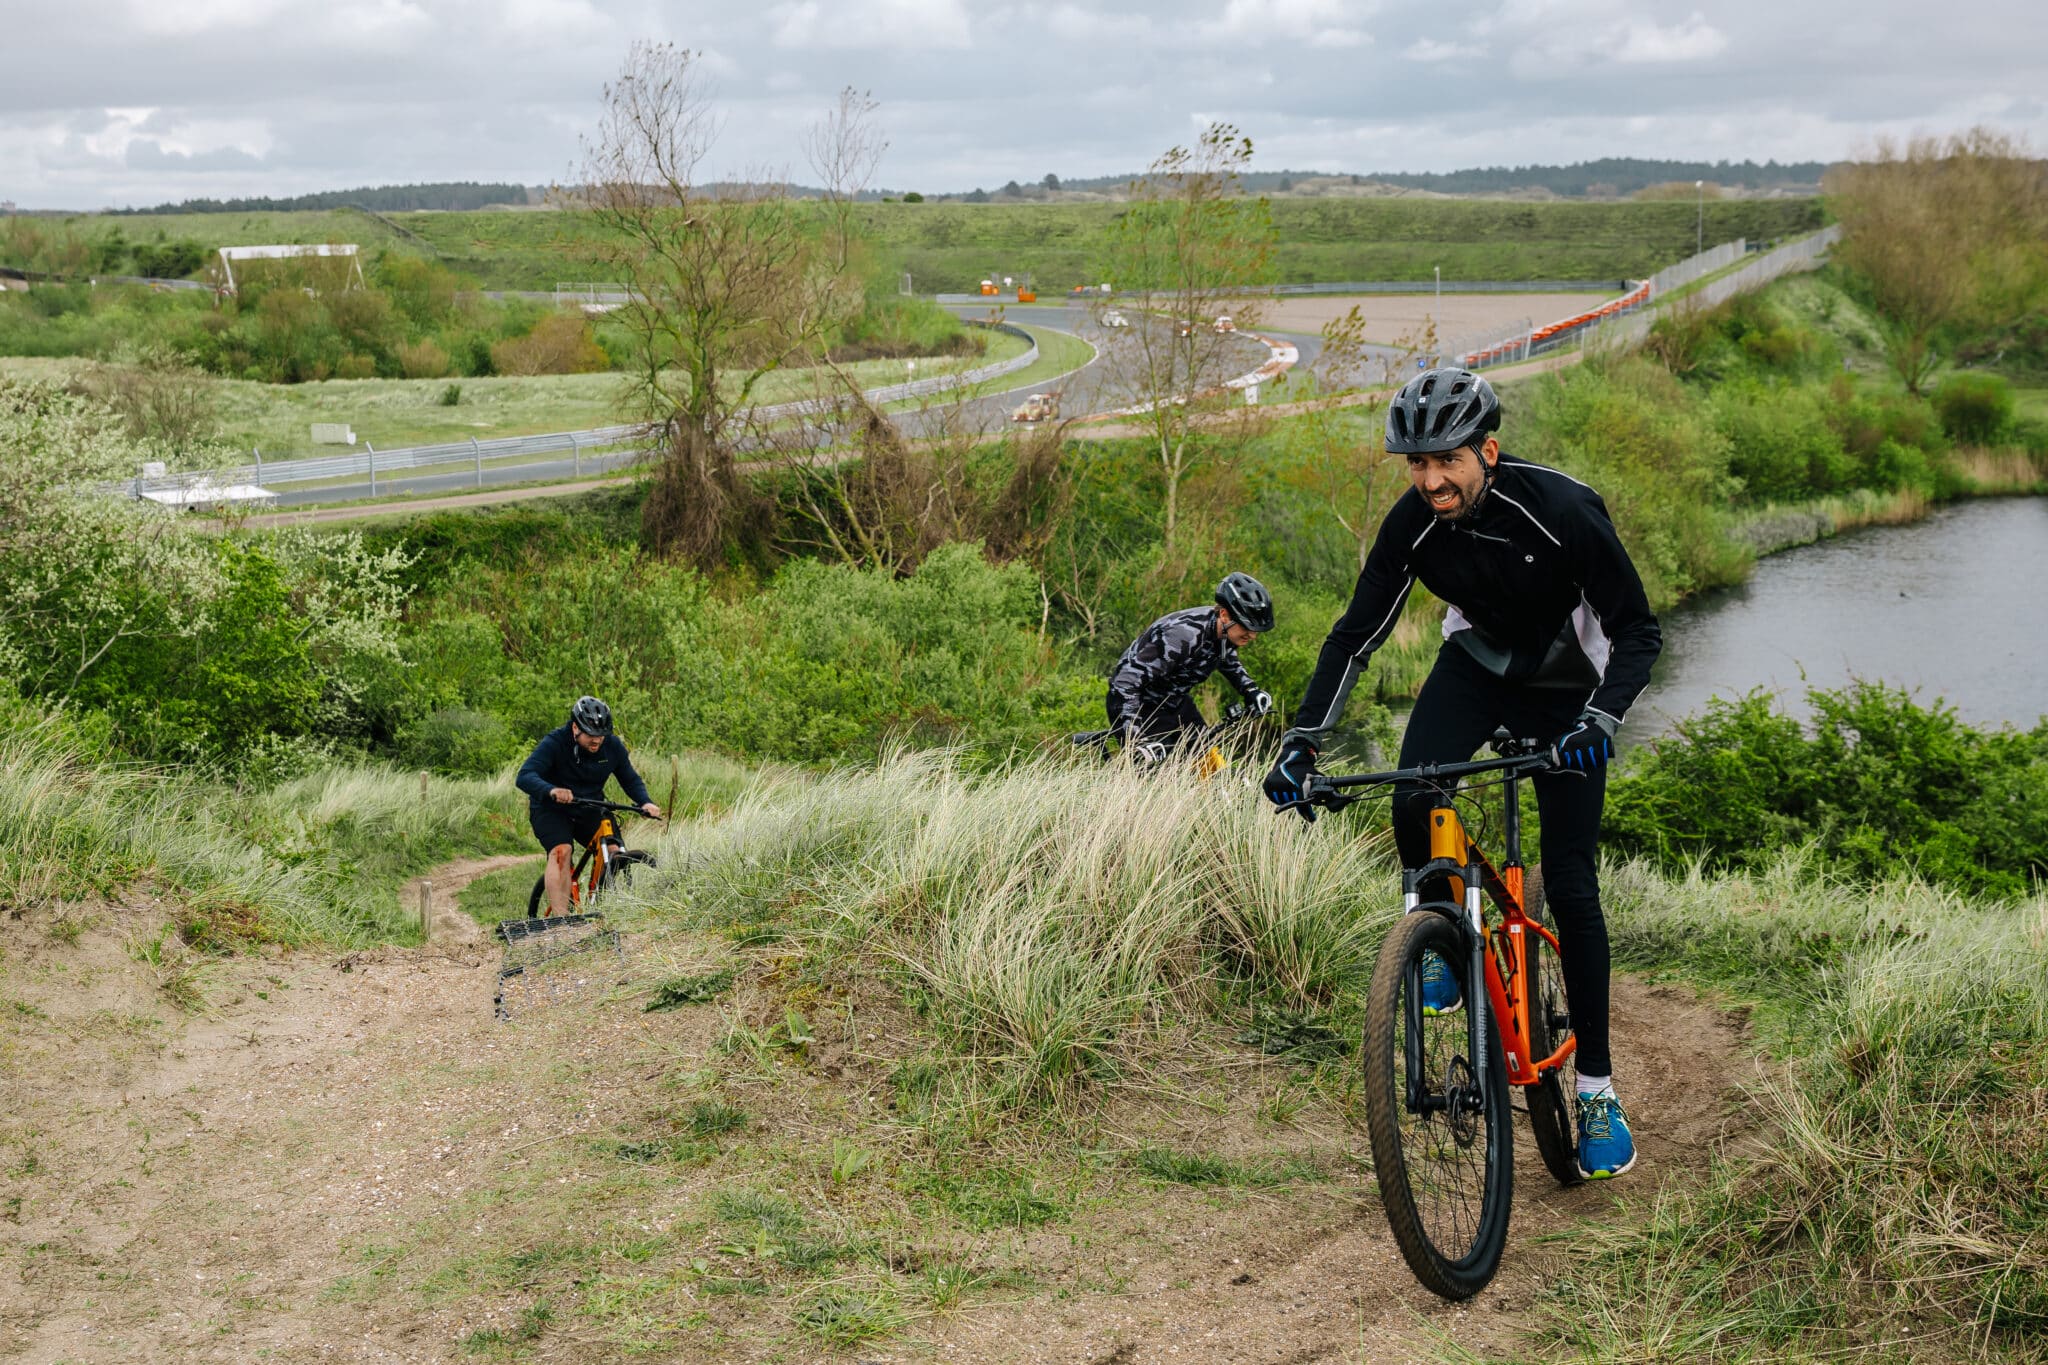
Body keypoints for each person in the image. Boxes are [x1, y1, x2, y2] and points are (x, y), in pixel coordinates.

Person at [1261, 367, 1661, 1181]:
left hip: (1564, 682)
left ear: (1488, 448)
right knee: (1415, 793)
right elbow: (1354, 637)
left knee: (1574, 885)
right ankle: (1439, 929)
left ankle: (1595, 1090)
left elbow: (1638, 632)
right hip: (1477, 662)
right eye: (1415, 463)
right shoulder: (1412, 523)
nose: (1431, 479)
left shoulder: (1562, 510)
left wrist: (1601, 721)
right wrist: (1302, 740)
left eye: (1445, 459)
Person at [1106, 573, 1277, 763]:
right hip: (1140, 705)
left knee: (1211, 766)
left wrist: (1250, 690)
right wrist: (1134, 739)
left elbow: (1226, 658)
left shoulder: (1226, 632)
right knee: (1164, 779)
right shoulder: (1181, 637)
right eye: (1247, 627)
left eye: (1256, 630)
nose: (1252, 636)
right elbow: (1124, 684)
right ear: (1224, 614)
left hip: (1176, 701)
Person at [516, 696, 662, 916]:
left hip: (590, 806)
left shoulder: (611, 746)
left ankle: (605, 907)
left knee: (613, 850)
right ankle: (561, 920)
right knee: (561, 852)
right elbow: (525, 776)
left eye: (601, 736)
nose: (597, 741)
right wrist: (551, 790)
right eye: (591, 735)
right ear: (575, 727)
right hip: (552, 808)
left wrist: (645, 801)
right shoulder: (555, 742)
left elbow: (629, 778)